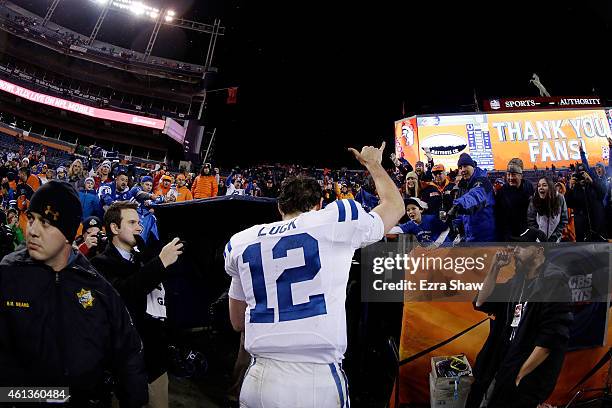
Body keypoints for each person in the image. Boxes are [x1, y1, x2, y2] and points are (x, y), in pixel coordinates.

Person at [225, 142, 404, 407]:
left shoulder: (241, 241)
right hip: (314, 379)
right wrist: (374, 165)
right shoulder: (337, 219)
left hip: (258, 379)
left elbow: (238, 322)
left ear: (279, 207)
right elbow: (395, 207)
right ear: (320, 204)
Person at [0, 181, 148, 407]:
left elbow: (129, 352)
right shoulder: (9, 274)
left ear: (69, 233)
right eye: (31, 219)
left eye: (47, 223)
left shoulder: (96, 285)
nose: (33, 231)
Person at [466, 228, 573, 408]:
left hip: (524, 372)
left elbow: (550, 340)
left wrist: (519, 376)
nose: (516, 250)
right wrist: (494, 268)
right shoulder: (518, 280)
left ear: (539, 250)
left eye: (522, 246)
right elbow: (481, 301)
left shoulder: (554, 282)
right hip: (500, 361)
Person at [92, 201, 184, 408]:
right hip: (122, 365)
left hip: (155, 361)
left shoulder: (144, 258)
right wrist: (160, 263)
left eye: (139, 222)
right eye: (132, 222)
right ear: (115, 228)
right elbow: (124, 292)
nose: (139, 227)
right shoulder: (100, 264)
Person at [447, 153, 496, 242]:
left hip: (485, 239)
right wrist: (456, 225)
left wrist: (458, 205)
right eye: (460, 168)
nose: (462, 170)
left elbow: (476, 196)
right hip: (470, 237)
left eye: (465, 166)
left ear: (472, 166)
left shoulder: (483, 181)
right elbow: (462, 215)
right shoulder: (463, 185)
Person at [495, 158, 534, 241]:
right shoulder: (502, 192)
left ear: (521, 175)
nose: (510, 178)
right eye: (508, 174)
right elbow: (499, 216)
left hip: (526, 233)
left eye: (513, 175)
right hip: (509, 236)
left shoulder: (529, 187)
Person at [388, 197, 452, 245]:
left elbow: (446, 229)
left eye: (413, 208)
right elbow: (396, 229)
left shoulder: (430, 219)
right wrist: (380, 229)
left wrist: (436, 244)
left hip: (445, 247)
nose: (410, 212)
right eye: (408, 210)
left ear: (421, 210)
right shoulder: (410, 224)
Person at [527, 177, 568, 242]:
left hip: (555, 240)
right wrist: (538, 235)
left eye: (544, 185)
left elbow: (564, 220)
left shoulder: (560, 199)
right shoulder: (534, 200)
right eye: (539, 186)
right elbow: (531, 221)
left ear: (551, 187)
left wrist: (556, 235)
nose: (541, 187)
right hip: (539, 240)